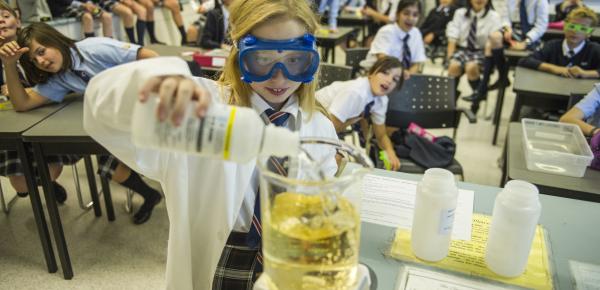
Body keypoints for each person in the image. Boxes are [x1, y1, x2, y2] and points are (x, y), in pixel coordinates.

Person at [83, 0, 339, 288]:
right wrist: (154, 83)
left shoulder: (321, 128)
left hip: (290, 258)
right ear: (238, 55)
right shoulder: (200, 112)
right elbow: (99, 112)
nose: (279, 76)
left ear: (311, 60)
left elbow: (323, 200)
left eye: (295, 60)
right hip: (221, 259)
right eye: (261, 59)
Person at [0, 22, 162, 224]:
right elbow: (23, 104)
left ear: (53, 40)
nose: (41, 61)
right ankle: (151, 195)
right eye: (34, 60)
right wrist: (8, 65)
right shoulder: (60, 78)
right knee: (108, 163)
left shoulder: (93, 48)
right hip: (117, 120)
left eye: (41, 51)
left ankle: (159, 183)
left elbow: (151, 57)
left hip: (151, 107)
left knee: (113, 157)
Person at [0, 1, 80, 204]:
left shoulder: (36, 42)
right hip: (10, 122)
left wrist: (23, 90)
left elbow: (60, 78)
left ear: (17, 20)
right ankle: (37, 184)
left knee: (48, 172)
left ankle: (46, 183)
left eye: (5, 16)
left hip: (46, 116)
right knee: (21, 185)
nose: (1, 21)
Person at [317, 56, 402, 170]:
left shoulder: (381, 100)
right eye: (384, 73)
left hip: (328, 127)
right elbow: (328, 129)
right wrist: (351, 121)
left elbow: (381, 135)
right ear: (370, 73)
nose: (389, 80)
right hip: (311, 122)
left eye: (395, 79)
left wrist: (390, 152)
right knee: (338, 161)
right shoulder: (356, 93)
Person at [446, 0, 501, 111]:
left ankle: (478, 97)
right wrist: (450, 58)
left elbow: (491, 44)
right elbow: (453, 37)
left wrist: (487, 64)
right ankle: (450, 103)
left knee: (471, 67)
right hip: (463, 49)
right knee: (454, 66)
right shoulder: (460, 13)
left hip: (482, 51)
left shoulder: (494, 16)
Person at [519, 6, 600, 79]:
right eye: (572, 26)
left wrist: (586, 74)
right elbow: (525, 61)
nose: (575, 31)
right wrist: (556, 69)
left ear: (589, 33)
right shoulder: (552, 45)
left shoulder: (594, 49)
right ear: (564, 27)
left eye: (583, 29)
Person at [360, 0, 426, 79]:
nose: (410, 18)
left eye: (415, 15)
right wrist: (400, 74)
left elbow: (416, 63)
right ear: (397, 14)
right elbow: (383, 59)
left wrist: (408, 76)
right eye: (406, 13)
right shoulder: (387, 31)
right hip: (377, 76)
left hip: (400, 79)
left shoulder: (416, 33)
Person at [47, 0, 114, 38]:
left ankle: (110, 44)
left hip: (84, 5)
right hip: (64, 8)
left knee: (106, 16)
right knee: (87, 17)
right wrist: (83, 5)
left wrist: (88, 3)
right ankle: (92, 45)